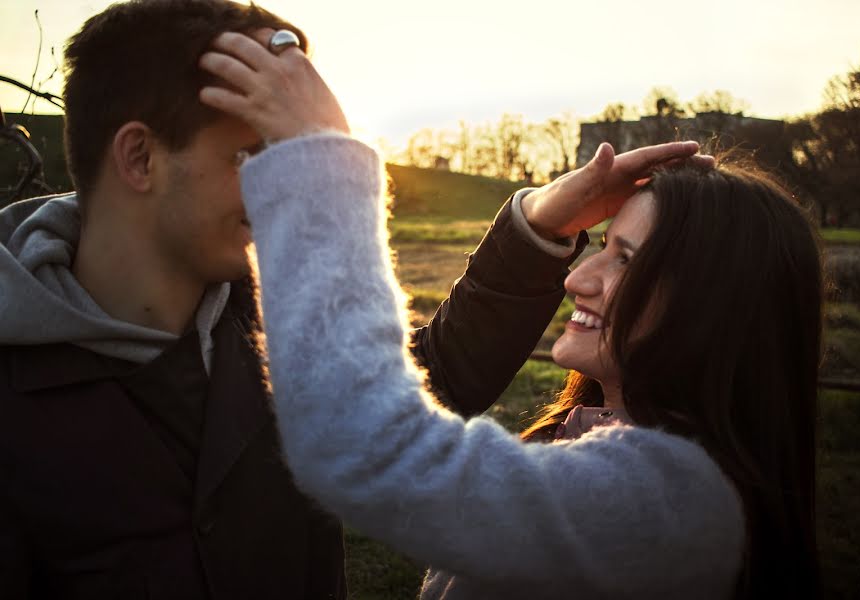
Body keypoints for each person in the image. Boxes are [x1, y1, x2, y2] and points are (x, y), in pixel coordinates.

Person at [0, 1, 704, 598]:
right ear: (139, 157)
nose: (285, 185)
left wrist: (541, 223)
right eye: (254, 155)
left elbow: (430, 380)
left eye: (290, 153)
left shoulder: (279, 315)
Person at [201, 26, 824, 600]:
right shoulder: (606, 451)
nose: (577, 276)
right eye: (599, 244)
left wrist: (320, 160)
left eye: (625, 260)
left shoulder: (667, 502)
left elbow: (374, 447)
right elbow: (428, 386)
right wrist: (541, 221)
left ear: (710, 307)